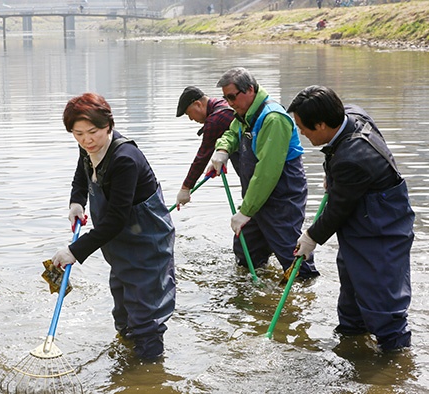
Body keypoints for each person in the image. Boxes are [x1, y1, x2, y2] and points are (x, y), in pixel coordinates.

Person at [287, 85, 414, 350]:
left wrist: (310, 237)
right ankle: (352, 341)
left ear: (321, 125)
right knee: (352, 290)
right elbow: (342, 178)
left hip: (382, 227)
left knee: (383, 300)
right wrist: (333, 173)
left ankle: (395, 364)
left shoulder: (352, 158)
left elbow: (337, 211)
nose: (301, 133)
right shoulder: (352, 115)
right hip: (360, 223)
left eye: (302, 127)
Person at [52, 93, 176, 361]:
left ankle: (149, 375)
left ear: (108, 125)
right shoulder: (89, 148)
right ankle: (129, 362)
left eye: (93, 132)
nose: (86, 140)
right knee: (123, 313)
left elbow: (117, 218)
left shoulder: (125, 159)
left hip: (147, 244)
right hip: (118, 244)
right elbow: (81, 175)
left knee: (145, 318)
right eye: (78, 134)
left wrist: (75, 250)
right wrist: (77, 203)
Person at [206, 67, 320, 278]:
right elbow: (232, 132)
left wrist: (246, 212)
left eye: (232, 97)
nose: (229, 103)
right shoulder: (245, 113)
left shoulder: (273, 119)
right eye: (225, 98)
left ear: (249, 90)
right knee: (246, 253)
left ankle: (306, 294)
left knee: (292, 257)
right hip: (257, 199)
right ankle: (254, 295)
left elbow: (267, 173)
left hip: (282, 197)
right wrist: (222, 150)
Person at [174, 86, 235, 209]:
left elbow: (202, 157)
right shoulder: (222, 104)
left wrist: (186, 188)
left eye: (188, 113)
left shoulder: (214, 120)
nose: (191, 119)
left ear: (197, 104)